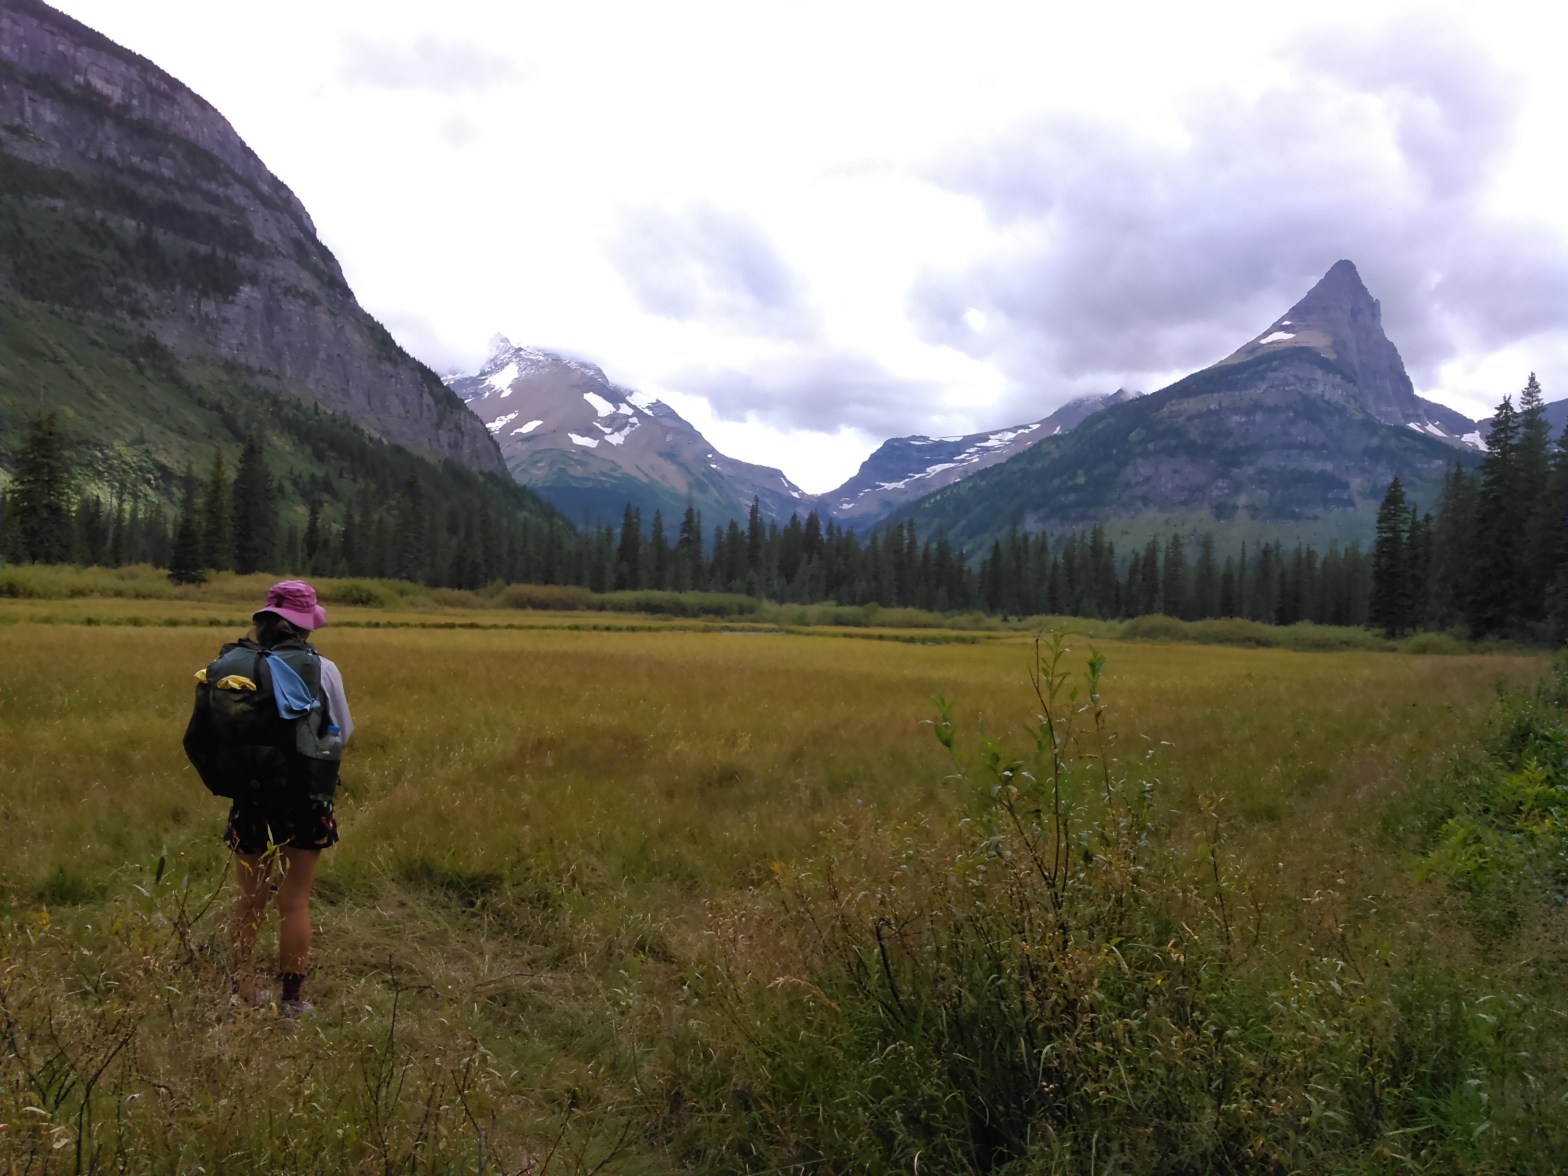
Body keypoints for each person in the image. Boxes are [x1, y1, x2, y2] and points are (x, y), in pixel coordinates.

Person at [222, 579, 353, 1016]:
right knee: (294, 901)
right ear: (306, 625)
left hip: (251, 795)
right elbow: (343, 731)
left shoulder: (237, 664)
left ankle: (240, 990)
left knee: (249, 901)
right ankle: (292, 1001)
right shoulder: (323, 668)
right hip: (306, 797)